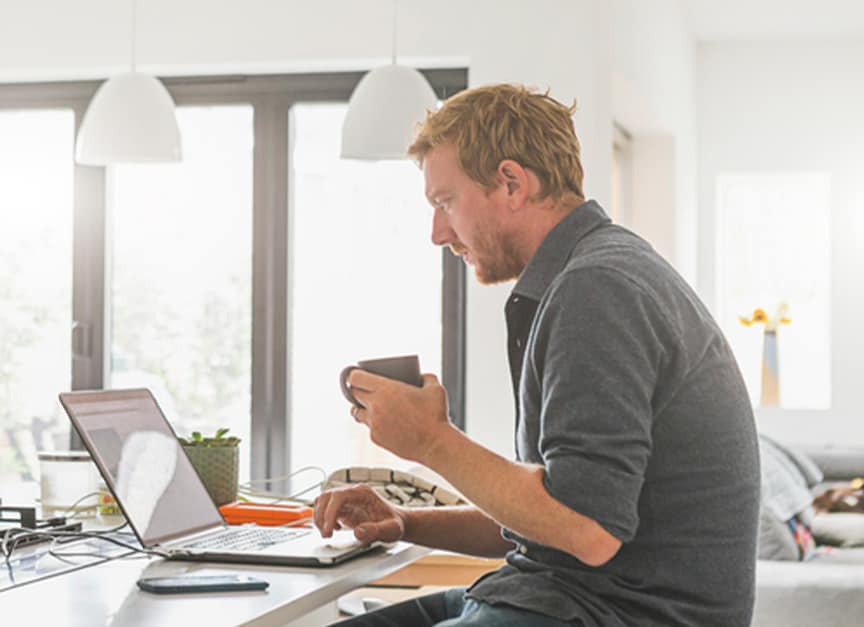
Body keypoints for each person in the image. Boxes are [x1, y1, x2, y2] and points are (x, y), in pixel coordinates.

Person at [316, 83, 760, 626]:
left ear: (510, 183)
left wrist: (430, 439)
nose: (437, 233)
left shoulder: (598, 288)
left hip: (611, 614)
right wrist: (408, 523)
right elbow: (553, 515)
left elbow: (585, 530)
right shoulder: (591, 274)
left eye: (444, 202)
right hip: (563, 596)